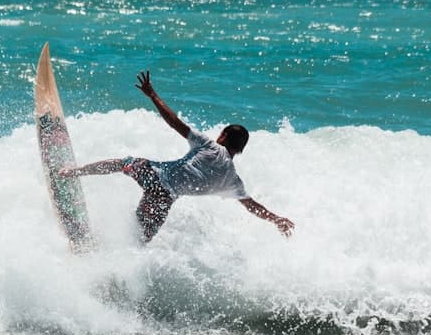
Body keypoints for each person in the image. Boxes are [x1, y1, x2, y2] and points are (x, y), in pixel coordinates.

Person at [61, 71, 294, 243]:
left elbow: (174, 122)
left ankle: (74, 172)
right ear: (240, 150)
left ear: (222, 136)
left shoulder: (210, 145)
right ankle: (105, 255)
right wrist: (277, 220)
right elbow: (251, 206)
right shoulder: (232, 181)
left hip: (154, 176)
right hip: (163, 200)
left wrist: (152, 95)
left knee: (123, 163)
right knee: (137, 240)